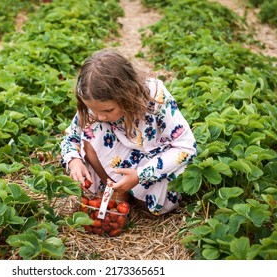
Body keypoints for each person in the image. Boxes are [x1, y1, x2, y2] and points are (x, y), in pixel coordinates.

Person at [60, 48, 197, 215]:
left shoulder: (155, 97)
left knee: (153, 205)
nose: (101, 116)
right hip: (117, 166)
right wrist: (74, 160)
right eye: (94, 110)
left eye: (108, 110)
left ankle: (133, 195)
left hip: (151, 164)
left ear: (128, 94)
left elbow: (186, 148)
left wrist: (141, 175)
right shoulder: (95, 105)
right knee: (91, 130)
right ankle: (118, 191)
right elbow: (71, 138)